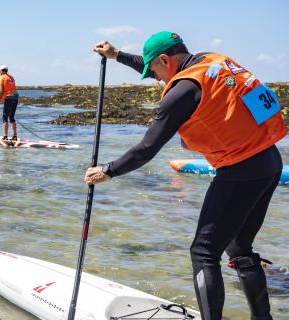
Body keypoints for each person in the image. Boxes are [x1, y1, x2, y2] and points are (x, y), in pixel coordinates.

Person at [85, 31, 286, 319]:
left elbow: (146, 148)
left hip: (240, 169)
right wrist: (117, 55)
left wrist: (108, 170)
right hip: (269, 160)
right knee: (240, 249)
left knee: (203, 253)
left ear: (166, 59)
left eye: (153, 70)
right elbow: (154, 62)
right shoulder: (212, 62)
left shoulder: (182, 92)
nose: (155, 78)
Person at [0, 65, 19, 141]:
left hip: (9, 98)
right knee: (11, 117)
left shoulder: (2, 77)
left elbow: (1, 90)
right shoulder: (11, 77)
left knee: (5, 117)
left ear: (2, 71)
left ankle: (5, 136)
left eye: (0, 71)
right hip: (15, 97)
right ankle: (15, 136)